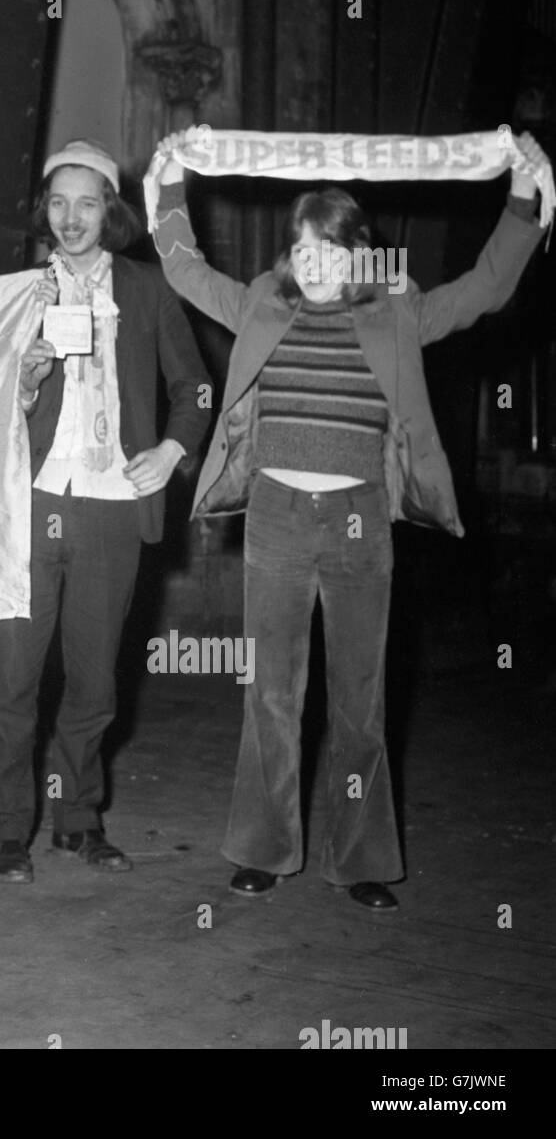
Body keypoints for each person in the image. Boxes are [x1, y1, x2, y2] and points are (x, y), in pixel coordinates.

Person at [150, 126, 550, 910]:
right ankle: (263, 849)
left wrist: (524, 195)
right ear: (288, 258)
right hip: (275, 514)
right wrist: (167, 185)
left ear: (360, 254)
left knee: (361, 695)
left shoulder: (398, 314)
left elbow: (487, 289)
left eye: (331, 250)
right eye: (303, 251)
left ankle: (360, 861)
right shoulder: (261, 305)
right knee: (270, 691)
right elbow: (184, 269)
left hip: (360, 518)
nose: (316, 265)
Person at [0, 139, 209, 883]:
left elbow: (195, 390)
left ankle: (78, 819)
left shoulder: (147, 288)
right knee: (14, 676)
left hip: (114, 507)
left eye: (86, 203)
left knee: (94, 680)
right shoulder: (15, 291)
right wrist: (20, 385)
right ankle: (7, 829)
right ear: (43, 211)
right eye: (58, 202)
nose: (71, 217)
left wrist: (173, 452)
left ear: (108, 211)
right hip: (33, 500)